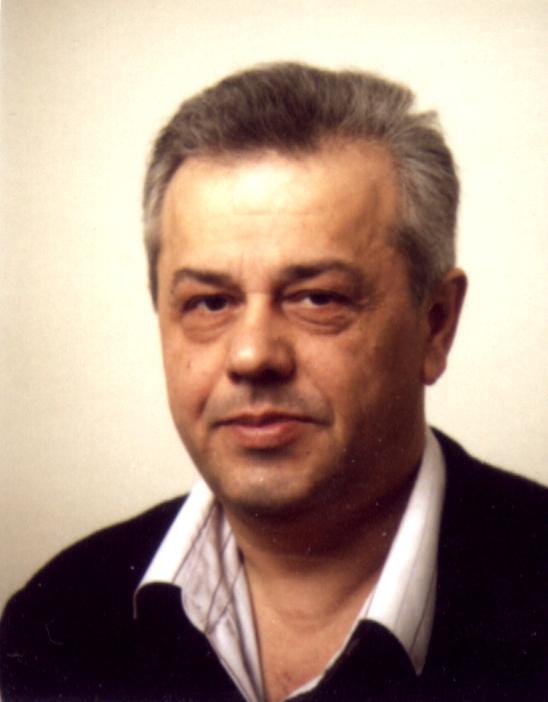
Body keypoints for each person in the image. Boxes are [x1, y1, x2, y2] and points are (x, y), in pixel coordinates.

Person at [0, 62, 546, 702]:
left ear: (436, 324)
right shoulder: (54, 620)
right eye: (209, 303)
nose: (253, 355)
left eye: (317, 298)